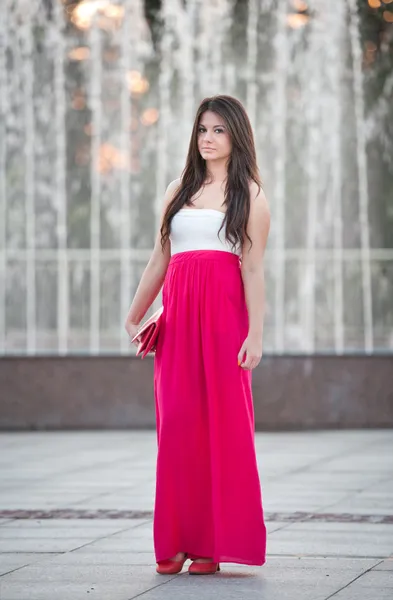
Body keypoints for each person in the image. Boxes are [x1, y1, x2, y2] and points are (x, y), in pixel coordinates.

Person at [125, 94, 270, 576]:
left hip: (225, 323)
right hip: (178, 322)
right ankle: (174, 541)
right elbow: (159, 259)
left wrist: (256, 335)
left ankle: (209, 546)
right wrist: (135, 312)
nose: (208, 139)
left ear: (236, 136)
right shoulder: (176, 189)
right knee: (179, 427)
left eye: (218, 131)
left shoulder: (250, 194)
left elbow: (252, 270)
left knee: (222, 430)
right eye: (202, 130)